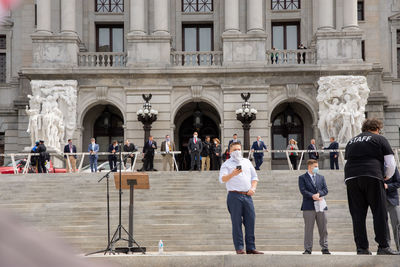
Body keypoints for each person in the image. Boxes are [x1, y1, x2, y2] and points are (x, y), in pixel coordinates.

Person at [344, 118, 399, 255]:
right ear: (377, 129)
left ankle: (362, 248)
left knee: (357, 215)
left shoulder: (351, 141)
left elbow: (347, 160)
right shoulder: (379, 139)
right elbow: (391, 163)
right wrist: (386, 176)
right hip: (372, 175)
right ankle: (383, 246)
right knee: (379, 213)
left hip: (351, 177)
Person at [219, 142, 263, 255]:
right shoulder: (226, 164)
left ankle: (251, 247)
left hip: (247, 196)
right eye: (234, 150)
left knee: (250, 221)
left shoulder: (247, 162)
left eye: (239, 149)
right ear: (230, 151)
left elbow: (254, 177)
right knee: (236, 222)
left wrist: (253, 188)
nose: (237, 151)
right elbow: (222, 179)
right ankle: (239, 248)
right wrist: (232, 174)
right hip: (234, 196)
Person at [298, 160, 330, 255]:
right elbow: (303, 190)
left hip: (321, 206)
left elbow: (325, 189)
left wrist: (319, 194)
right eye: (315, 166)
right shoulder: (302, 178)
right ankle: (308, 249)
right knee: (308, 229)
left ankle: (325, 248)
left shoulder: (321, 177)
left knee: (323, 228)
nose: (317, 168)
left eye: (317, 166)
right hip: (309, 207)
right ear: (309, 167)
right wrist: (312, 195)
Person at [384, 168, 400, 251]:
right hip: (380, 201)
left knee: (397, 224)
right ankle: (386, 248)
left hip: (393, 200)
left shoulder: (392, 167)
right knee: (383, 225)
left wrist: (388, 186)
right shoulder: (375, 166)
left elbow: (398, 182)